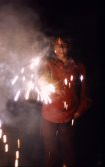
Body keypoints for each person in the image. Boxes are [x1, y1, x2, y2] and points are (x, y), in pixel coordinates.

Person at [38, 37, 91, 167]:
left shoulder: (78, 66)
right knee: (51, 152)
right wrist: (43, 82)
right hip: (49, 117)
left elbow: (85, 92)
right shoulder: (48, 64)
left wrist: (79, 111)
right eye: (57, 46)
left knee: (69, 151)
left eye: (64, 45)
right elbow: (41, 79)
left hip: (69, 116)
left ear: (69, 47)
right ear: (54, 48)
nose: (60, 49)